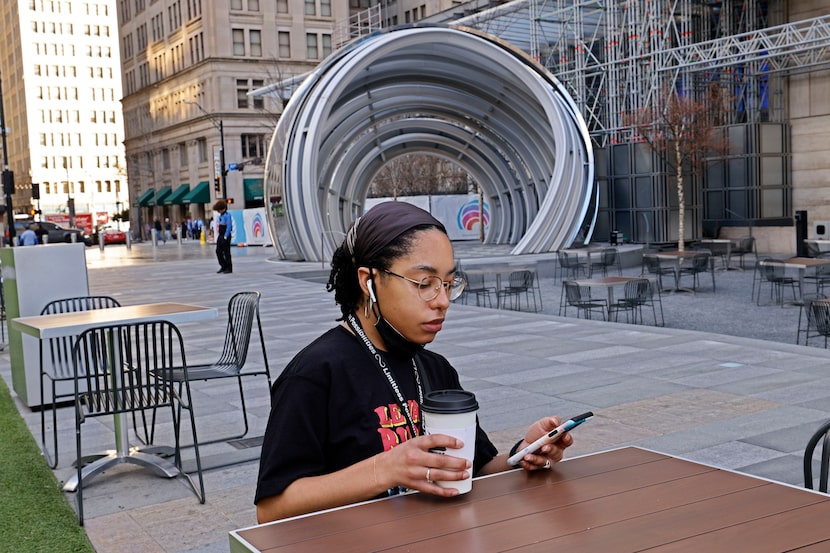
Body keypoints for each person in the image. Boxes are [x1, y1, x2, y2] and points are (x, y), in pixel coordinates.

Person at [254, 201, 573, 523]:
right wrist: (386, 469)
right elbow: (271, 510)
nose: (443, 301)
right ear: (369, 282)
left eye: (448, 284)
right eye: (425, 284)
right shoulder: (314, 374)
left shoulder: (437, 368)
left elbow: (476, 469)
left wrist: (524, 455)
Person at [213, 199, 233, 273]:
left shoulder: (227, 215)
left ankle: (229, 268)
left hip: (225, 235)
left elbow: (229, 226)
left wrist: (226, 236)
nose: (218, 211)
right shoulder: (220, 216)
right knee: (218, 251)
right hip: (220, 235)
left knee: (227, 252)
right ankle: (223, 265)